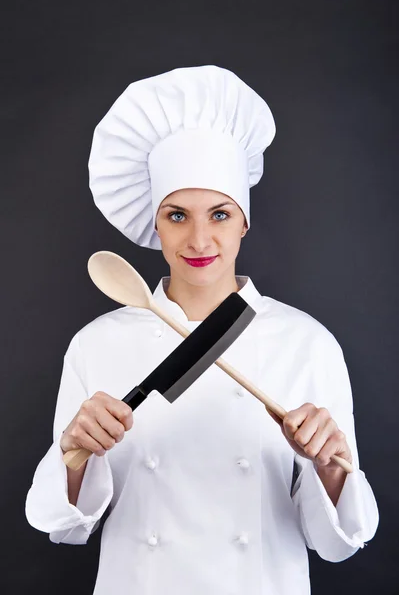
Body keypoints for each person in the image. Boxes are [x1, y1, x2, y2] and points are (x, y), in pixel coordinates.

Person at [25, 65, 379, 595]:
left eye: (218, 214)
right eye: (176, 215)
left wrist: (330, 467)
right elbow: (62, 526)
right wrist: (75, 450)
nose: (198, 239)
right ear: (155, 223)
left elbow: (338, 543)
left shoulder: (307, 343)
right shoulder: (96, 344)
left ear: (244, 221)